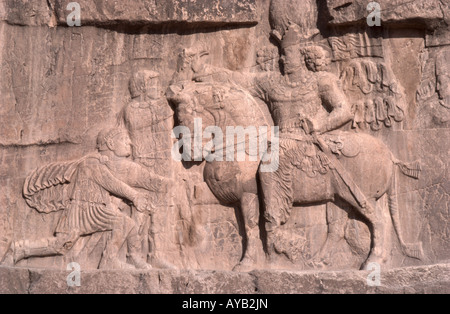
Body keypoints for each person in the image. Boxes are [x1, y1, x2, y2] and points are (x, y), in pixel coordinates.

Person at [6, 128, 172, 270]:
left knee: (64, 243)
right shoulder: (92, 163)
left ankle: (21, 249)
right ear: (111, 144)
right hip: (86, 210)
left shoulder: (101, 163)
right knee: (63, 245)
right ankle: (19, 249)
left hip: (91, 209)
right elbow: (112, 184)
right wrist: (134, 196)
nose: (130, 143)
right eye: (124, 139)